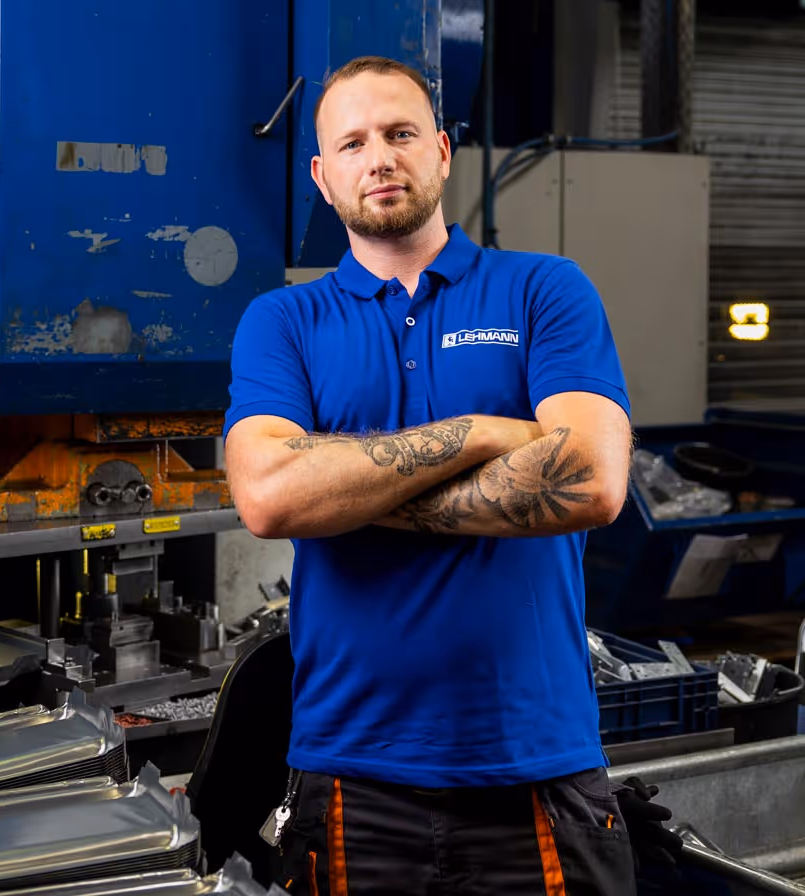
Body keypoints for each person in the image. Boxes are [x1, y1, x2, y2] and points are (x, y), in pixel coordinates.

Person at [223, 56, 643, 895]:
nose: (378, 157)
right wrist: (484, 432)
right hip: (351, 771)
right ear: (322, 175)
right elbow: (269, 496)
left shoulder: (544, 290)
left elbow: (593, 479)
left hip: (536, 765)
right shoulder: (283, 321)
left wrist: (343, 490)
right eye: (352, 142)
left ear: (444, 153)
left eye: (400, 133)